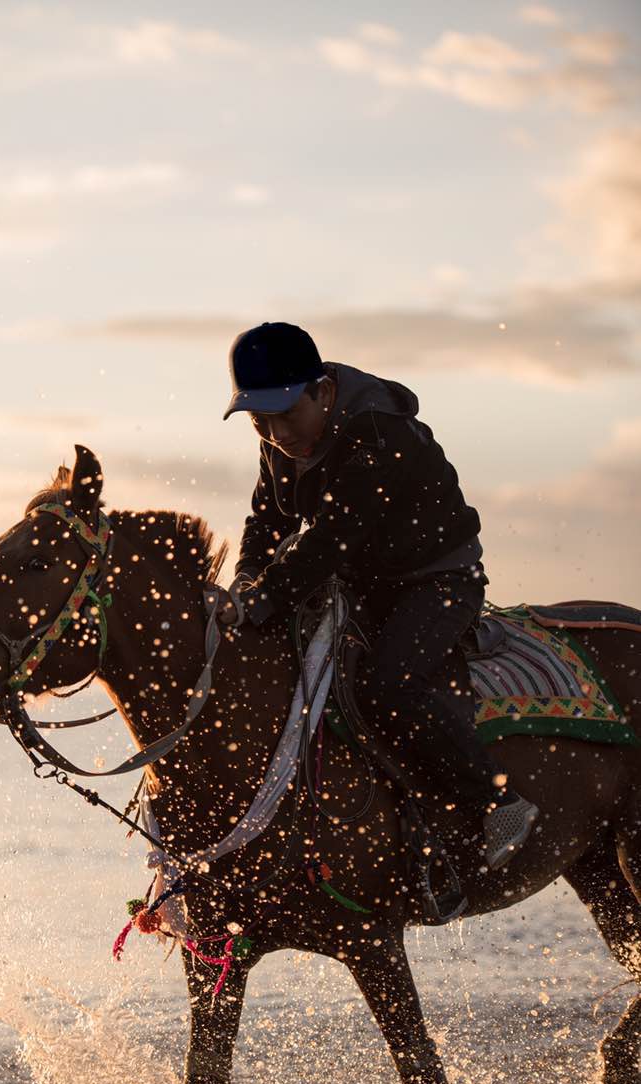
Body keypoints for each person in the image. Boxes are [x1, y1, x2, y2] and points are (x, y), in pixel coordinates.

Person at [219, 321, 538, 870]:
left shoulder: (377, 433)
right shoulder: (279, 438)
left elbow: (331, 541)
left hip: (437, 579)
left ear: (322, 391)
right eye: (259, 420)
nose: (275, 432)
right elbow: (267, 522)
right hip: (359, 581)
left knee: (386, 686)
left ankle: (498, 803)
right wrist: (246, 580)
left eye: (285, 414)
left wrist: (264, 597)